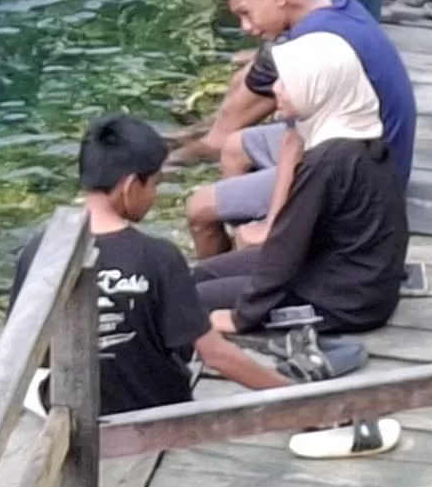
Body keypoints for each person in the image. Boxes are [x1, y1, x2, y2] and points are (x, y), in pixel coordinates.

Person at [21, 118, 297, 409]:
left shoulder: (38, 252)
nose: (154, 197)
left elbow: (32, 351)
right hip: (155, 409)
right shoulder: (158, 257)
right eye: (154, 184)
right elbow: (215, 355)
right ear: (130, 186)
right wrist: (295, 395)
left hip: (70, 410)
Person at [186, 0, 416, 259]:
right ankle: (239, 262)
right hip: (370, 145)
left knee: (199, 209)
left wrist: (274, 224)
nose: (246, 27)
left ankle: (248, 263)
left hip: (362, 175)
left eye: (245, 13)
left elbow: (295, 144)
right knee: (233, 147)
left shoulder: (314, 44)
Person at [196, 33, 413, 342]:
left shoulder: (328, 161)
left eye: (287, 82)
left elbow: (287, 246)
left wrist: (242, 315)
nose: (276, 90)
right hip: (340, 270)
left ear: (318, 86)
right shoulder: (357, 130)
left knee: (195, 302)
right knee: (200, 275)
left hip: (343, 301)